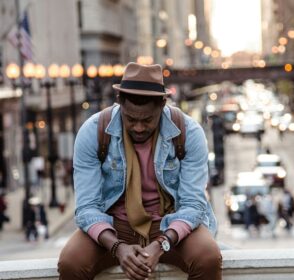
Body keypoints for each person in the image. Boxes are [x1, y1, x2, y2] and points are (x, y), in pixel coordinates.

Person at [58, 63, 221, 280]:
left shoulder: (189, 132)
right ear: (119, 102)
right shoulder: (93, 131)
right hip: (114, 226)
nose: (138, 128)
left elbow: (193, 205)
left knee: (207, 258)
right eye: (131, 119)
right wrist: (118, 247)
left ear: (162, 105)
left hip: (170, 223)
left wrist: (161, 244)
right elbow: (87, 207)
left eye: (147, 120)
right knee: (71, 263)